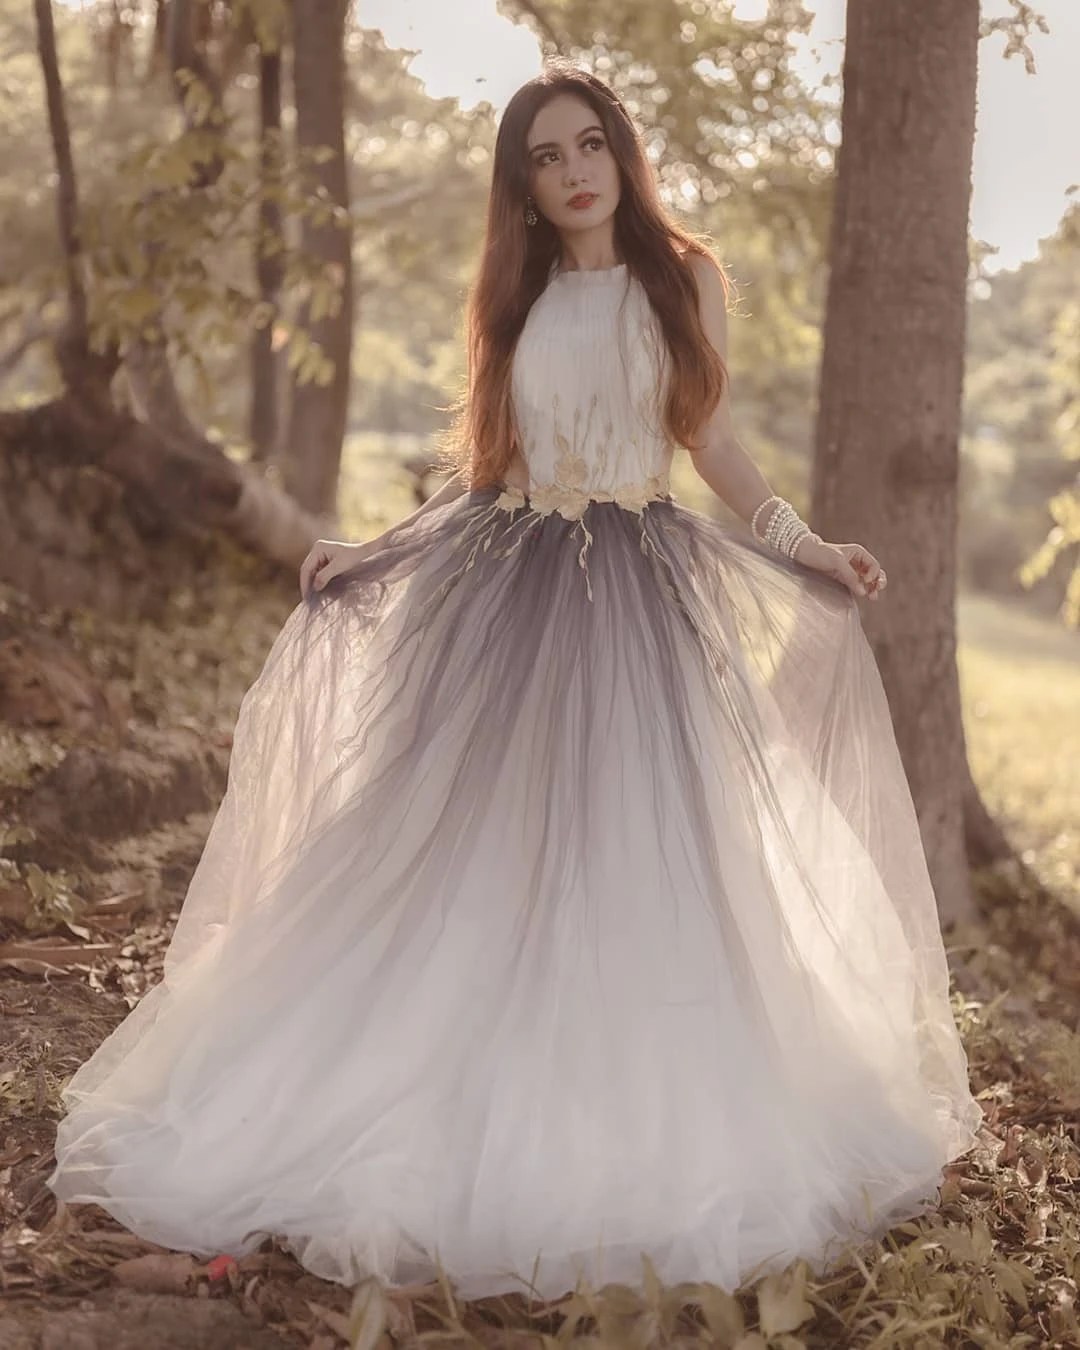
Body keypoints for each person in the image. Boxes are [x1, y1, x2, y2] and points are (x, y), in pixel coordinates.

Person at [48, 63, 981, 1302]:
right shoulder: (517, 293)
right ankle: (428, 1083)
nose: (575, 170)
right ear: (525, 186)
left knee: (645, 859)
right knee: (460, 852)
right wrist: (370, 548)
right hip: (506, 593)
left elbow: (706, 438)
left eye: (590, 144)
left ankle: (618, 1107)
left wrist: (805, 545)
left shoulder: (683, 279)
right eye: (546, 156)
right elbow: (487, 469)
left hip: (642, 604)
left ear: (622, 154)